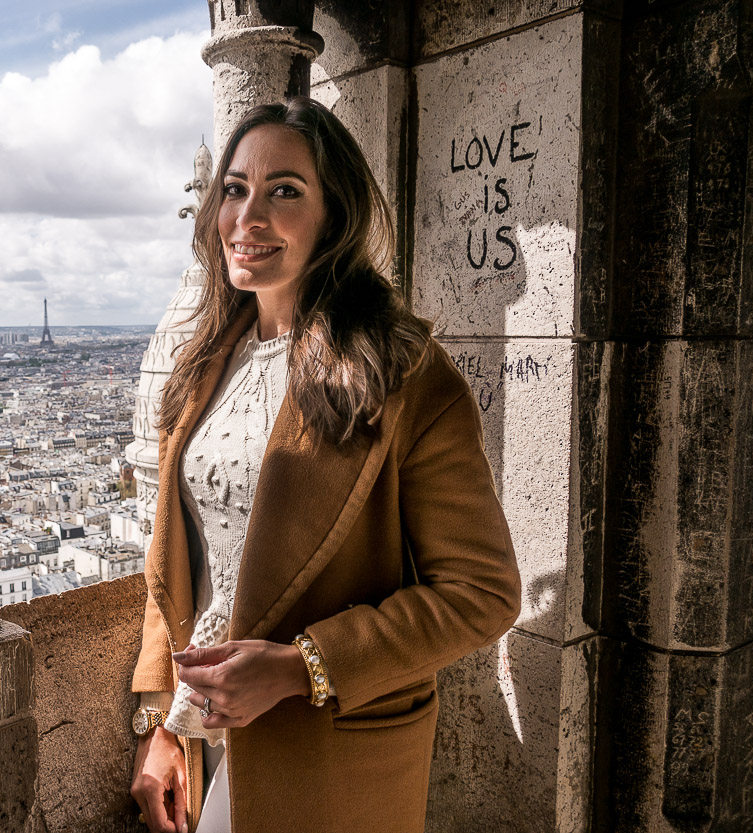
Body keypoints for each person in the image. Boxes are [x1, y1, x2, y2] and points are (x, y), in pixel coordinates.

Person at [128, 96, 522, 833]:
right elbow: (177, 552)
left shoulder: (402, 371)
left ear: (333, 215)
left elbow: (483, 591)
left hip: (329, 749)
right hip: (210, 738)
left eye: (285, 191)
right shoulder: (205, 361)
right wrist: (161, 720)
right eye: (236, 188)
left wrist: (300, 665)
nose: (249, 217)